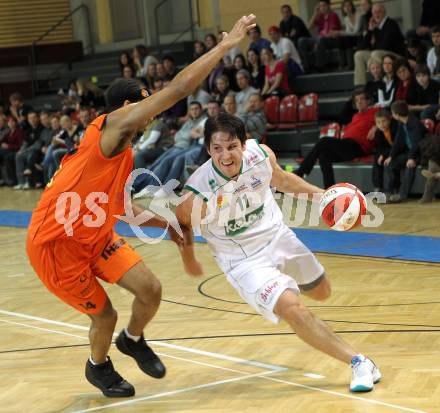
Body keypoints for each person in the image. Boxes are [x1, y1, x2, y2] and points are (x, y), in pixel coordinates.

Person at [26, 14, 257, 398]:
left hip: (93, 236)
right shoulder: (111, 130)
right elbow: (180, 88)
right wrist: (223, 46)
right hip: (56, 246)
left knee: (150, 289)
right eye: (145, 101)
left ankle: (132, 340)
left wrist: (163, 223)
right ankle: (98, 368)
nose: (152, 109)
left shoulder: (124, 150)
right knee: (104, 314)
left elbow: (119, 206)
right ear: (129, 107)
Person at [175, 112, 382, 393]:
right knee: (293, 308)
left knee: (322, 292)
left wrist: (327, 199)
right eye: (217, 148)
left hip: (278, 237)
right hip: (244, 261)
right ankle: (359, 362)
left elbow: (283, 181)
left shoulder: (260, 156)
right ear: (208, 149)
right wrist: (189, 260)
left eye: (232, 146)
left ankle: (284, 289)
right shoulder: (198, 191)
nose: (225, 155)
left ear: (244, 144)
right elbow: (181, 226)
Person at [295, 89, 378, 188]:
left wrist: (376, 127)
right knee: (324, 155)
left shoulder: (375, 111)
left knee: (324, 141)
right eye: (357, 100)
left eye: (362, 99)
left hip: (358, 146)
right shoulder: (356, 116)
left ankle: (301, 171)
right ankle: (330, 188)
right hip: (346, 146)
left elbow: (390, 117)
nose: (359, 102)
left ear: (368, 101)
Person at [385, 100, 426, 203]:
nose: (392, 115)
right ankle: (391, 192)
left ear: (397, 114)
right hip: (410, 153)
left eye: (392, 113)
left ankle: (402, 195)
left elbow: (417, 144)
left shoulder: (415, 123)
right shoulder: (402, 124)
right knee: (390, 164)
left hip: (420, 154)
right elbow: (398, 142)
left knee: (410, 166)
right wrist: (391, 156)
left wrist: (411, 158)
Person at [354, 3, 405, 86]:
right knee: (359, 55)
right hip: (378, 54)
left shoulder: (391, 24)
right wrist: (370, 30)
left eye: (379, 12)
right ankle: (360, 86)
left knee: (375, 53)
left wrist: (373, 47)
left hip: (397, 56)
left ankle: (383, 81)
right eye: (374, 12)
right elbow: (362, 46)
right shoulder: (374, 26)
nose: (377, 14)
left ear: (384, 12)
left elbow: (385, 46)